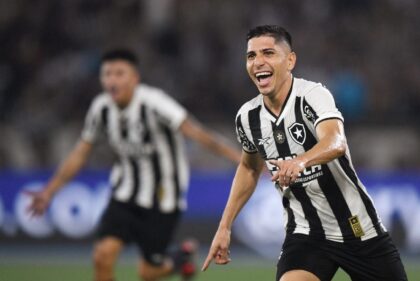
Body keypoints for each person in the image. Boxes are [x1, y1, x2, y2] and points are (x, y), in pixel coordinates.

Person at [202, 25, 408, 281]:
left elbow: (336, 141)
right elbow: (249, 167)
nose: (258, 62)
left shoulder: (312, 95)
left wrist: (300, 161)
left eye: (268, 53)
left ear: (290, 60)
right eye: (251, 56)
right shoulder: (247, 117)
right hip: (306, 233)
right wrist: (224, 227)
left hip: (357, 228)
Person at [28, 49, 241, 281]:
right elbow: (80, 153)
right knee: (102, 256)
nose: (112, 80)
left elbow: (198, 133)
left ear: (134, 78)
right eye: (107, 74)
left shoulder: (155, 103)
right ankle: (179, 257)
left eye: (119, 73)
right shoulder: (101, 108)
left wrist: (242, 159)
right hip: (124, 194)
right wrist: (49, 191)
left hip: (163, 199)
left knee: (147, 272)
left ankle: (179, 259)